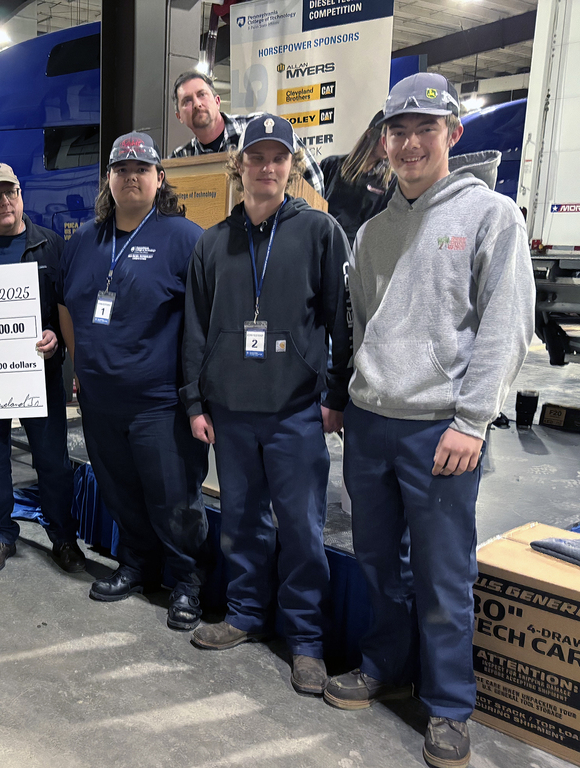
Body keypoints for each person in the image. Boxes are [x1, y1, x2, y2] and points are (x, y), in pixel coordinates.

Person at [323, 74, 535, 768]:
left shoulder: (490, 216)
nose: (410, 144)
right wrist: (349, 399)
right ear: (383, 142)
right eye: (398, 131)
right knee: (380, 562)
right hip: (371, 422)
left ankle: (448, 705)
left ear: (453, 134)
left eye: (425, 129)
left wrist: (473, 421)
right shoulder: (375, 231)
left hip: (439, 430)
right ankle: (386, 666)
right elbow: (357, 327)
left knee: (445, 576)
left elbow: (506, 325)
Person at [181, 114, 352, 694]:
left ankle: (306, 642)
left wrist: (335, 394)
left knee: (303, 530)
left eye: (280, 158)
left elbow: (340, 318)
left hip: (296, 411)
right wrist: (195, 403)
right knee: (241, 523)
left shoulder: (319, 232)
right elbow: (196, 331)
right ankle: (245, 615)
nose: (268, 167)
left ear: (292, 167)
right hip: (229, 412)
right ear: (241, 165)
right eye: (258, 157)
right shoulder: (212, 243)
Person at [59, 132, 210, 630]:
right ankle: (137, 567)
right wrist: (81, 368)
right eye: (121, 169)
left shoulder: (184, 238)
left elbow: (203, 323)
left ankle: (187, 581)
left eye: (141, 169)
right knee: (121, 491)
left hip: (159, 402)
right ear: (108, 178)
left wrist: (197, 397)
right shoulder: (84, 239)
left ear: (158, 178)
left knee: (173, 499)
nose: (130, 177)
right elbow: (66, 306)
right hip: (100, 401)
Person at [0, 162, 85, 574]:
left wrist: (57, 340)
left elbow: (63, 309)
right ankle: (0, 533)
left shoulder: (48, 245)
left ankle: (63, 537)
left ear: (21, 194)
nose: (5, 201)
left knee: (53, 460)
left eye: (11, 192)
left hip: (38, 373)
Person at [169, 70, 325, 195]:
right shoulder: (180, 159)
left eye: (201, 94)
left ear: (217, 102)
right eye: (187, 101)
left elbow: (313, 180)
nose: (197, 104)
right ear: (179, 117)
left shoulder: (260, 127)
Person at [320, 110, 396, 244]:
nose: (388, 144)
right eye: (385, 136)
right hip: (323, 244)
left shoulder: (390, 182)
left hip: (357, 255)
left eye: (395, 136)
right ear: (370, 134)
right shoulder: (332, 165)